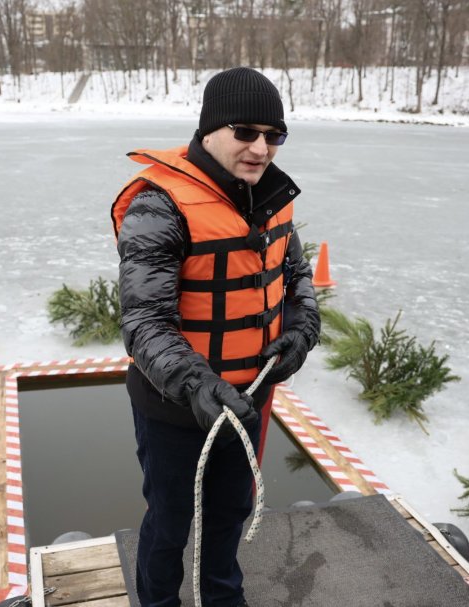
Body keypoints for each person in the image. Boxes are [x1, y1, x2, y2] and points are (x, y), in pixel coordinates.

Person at [111, 67, 320, 607]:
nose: (261, 148)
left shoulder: (271, 196)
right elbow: (144, 320)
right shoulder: (158, 206)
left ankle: (224, 599)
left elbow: (296, 279)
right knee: (170, 521)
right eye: (246, 132)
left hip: (250, 398)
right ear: (210, 130)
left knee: (231, 512)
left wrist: (303, 328)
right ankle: (158, 602)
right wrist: (196, 385)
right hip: (175, 407)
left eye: (275, 136)